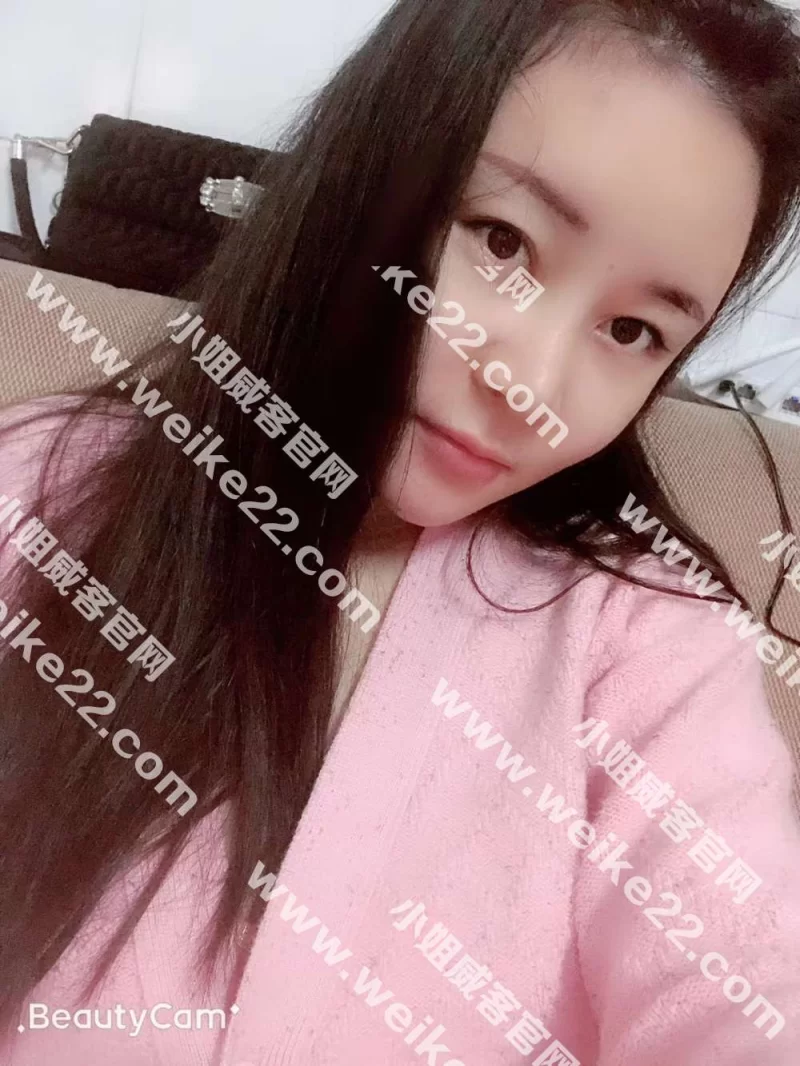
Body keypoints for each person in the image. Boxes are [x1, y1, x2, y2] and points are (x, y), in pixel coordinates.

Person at [1, 0, 800, 1062]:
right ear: (362, 173)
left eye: (630, 329)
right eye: (503, 241)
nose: (529, 383)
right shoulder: (45, 491)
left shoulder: (649, 647)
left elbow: (743, 983)